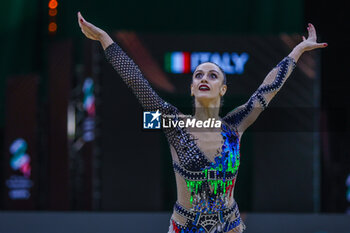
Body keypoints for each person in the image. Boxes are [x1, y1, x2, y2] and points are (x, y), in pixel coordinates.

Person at [77, 12, 327, 233]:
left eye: (213, 75)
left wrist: (298, 50)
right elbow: (137, 83)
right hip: (186, 227)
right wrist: (105, 40)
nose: (204, 78)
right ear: (192, 89)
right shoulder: (174, 124)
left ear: (223, 89)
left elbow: (268, 89)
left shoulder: (236, 124)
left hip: (229, 225)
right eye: (198, 75)